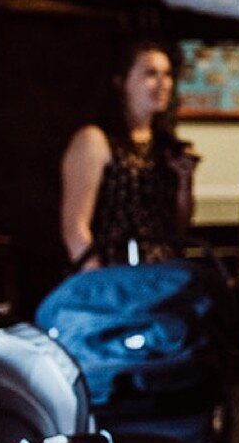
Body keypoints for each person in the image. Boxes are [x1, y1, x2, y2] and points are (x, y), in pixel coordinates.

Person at [60, 41, 197, 271]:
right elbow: (75, 227)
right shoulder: (95, 140)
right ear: (121, 82)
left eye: (167, 74)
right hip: (114, 273)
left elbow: (177, 226)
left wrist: (184, 182)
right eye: (151, 74)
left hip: (160, 275)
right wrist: (99, 283)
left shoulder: (163, 145)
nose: (163, 84)